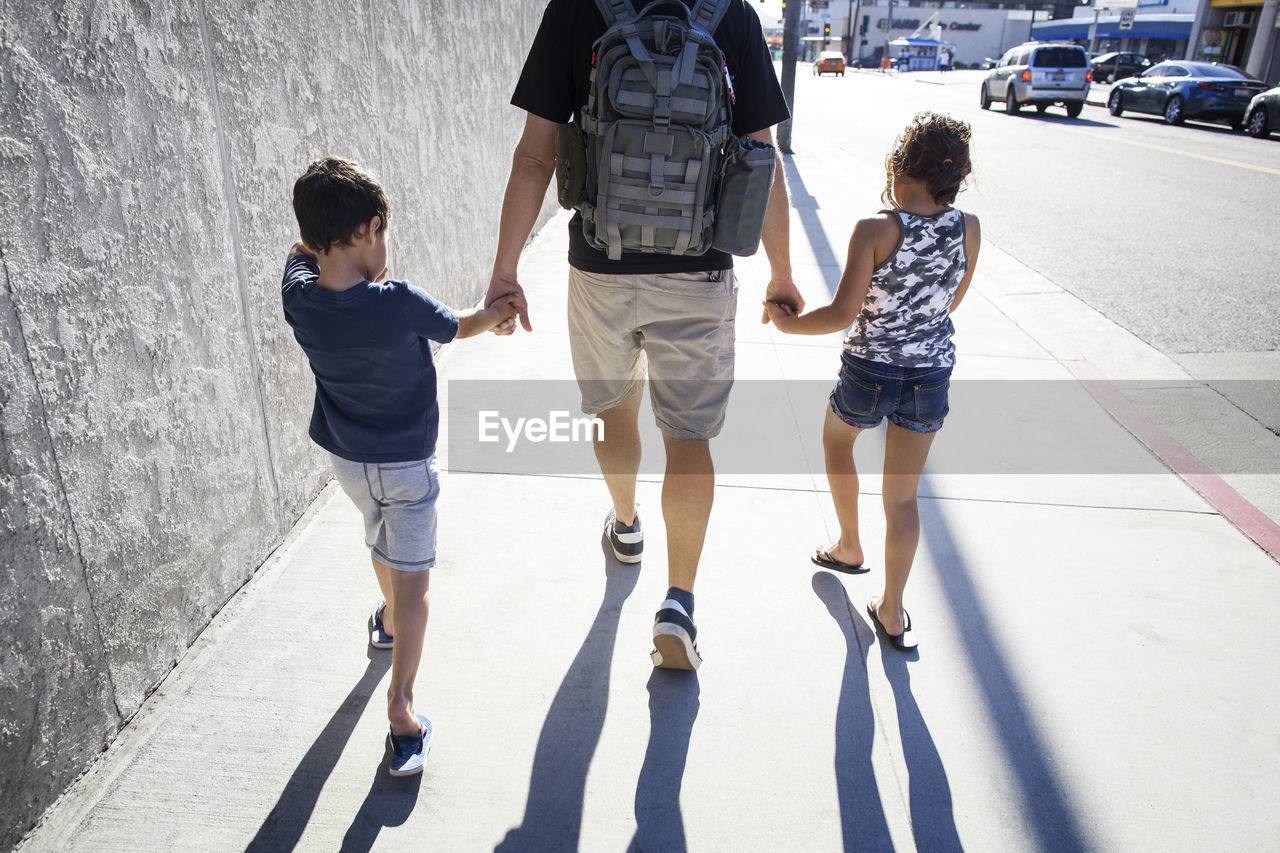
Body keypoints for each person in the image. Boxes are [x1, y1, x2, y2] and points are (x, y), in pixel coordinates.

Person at [487, 0, 801, 671]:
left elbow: (535, 155)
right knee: (688, 436)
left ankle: (626, 522)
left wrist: (505, 270)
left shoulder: (577, 9)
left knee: (611, 411)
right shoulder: (732, 16)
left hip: (602, 265)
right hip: (700, 270)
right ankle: (678, 601)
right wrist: (782, 273)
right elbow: (761, 160)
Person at [283, 156, 520, 774]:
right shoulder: (398, 302)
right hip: (407, 464)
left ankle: (386, 621)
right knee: (415, 580)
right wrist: (500, 313)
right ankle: (402, 706)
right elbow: (462, 326)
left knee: (380, 543)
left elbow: (296, 260)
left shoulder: (301, 301)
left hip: (350, 463)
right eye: (382, 233)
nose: (385, 246)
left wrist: (307, 247)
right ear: (369, 227)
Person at [763, 112, 980, 652]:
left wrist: (789, 324)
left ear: (897, 166)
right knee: (903, 498)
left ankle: (849, 546)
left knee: (839, 441)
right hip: (930, 371)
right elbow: (951, 300)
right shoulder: (967, 228)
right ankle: (892, 610)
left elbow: (841, 313)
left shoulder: (877, 229)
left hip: (870, 369)